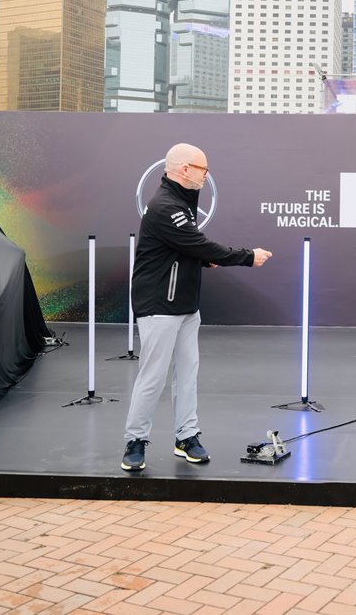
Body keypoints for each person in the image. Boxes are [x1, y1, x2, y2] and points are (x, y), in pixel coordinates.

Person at [121, 143, 272, 472]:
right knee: (153, 377)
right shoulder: (165, 206)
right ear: (184, 169)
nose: (207, 175)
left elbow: (181, 247)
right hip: (159, 304)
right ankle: (135, 441)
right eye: (203, 169)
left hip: (186, 306)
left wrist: (202, 260)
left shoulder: (182, 204)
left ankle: (186, 437)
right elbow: (194, 242)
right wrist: (247, 256)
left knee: (187, 375)